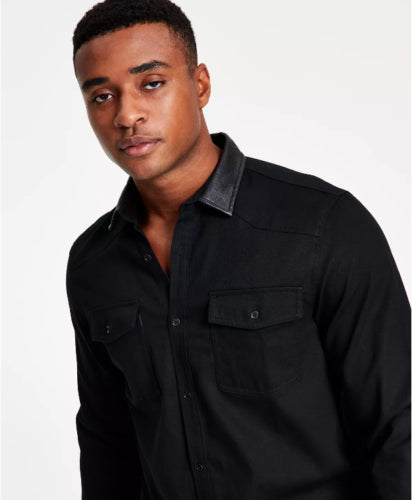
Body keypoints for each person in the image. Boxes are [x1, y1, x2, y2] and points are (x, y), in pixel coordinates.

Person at [66, 0, 410, 498]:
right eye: (101, 96)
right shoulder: (94, 263)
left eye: (152, 83)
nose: (127, 114)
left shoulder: (323, 226)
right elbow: (106, 442)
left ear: (200, 85)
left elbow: (397, 430)